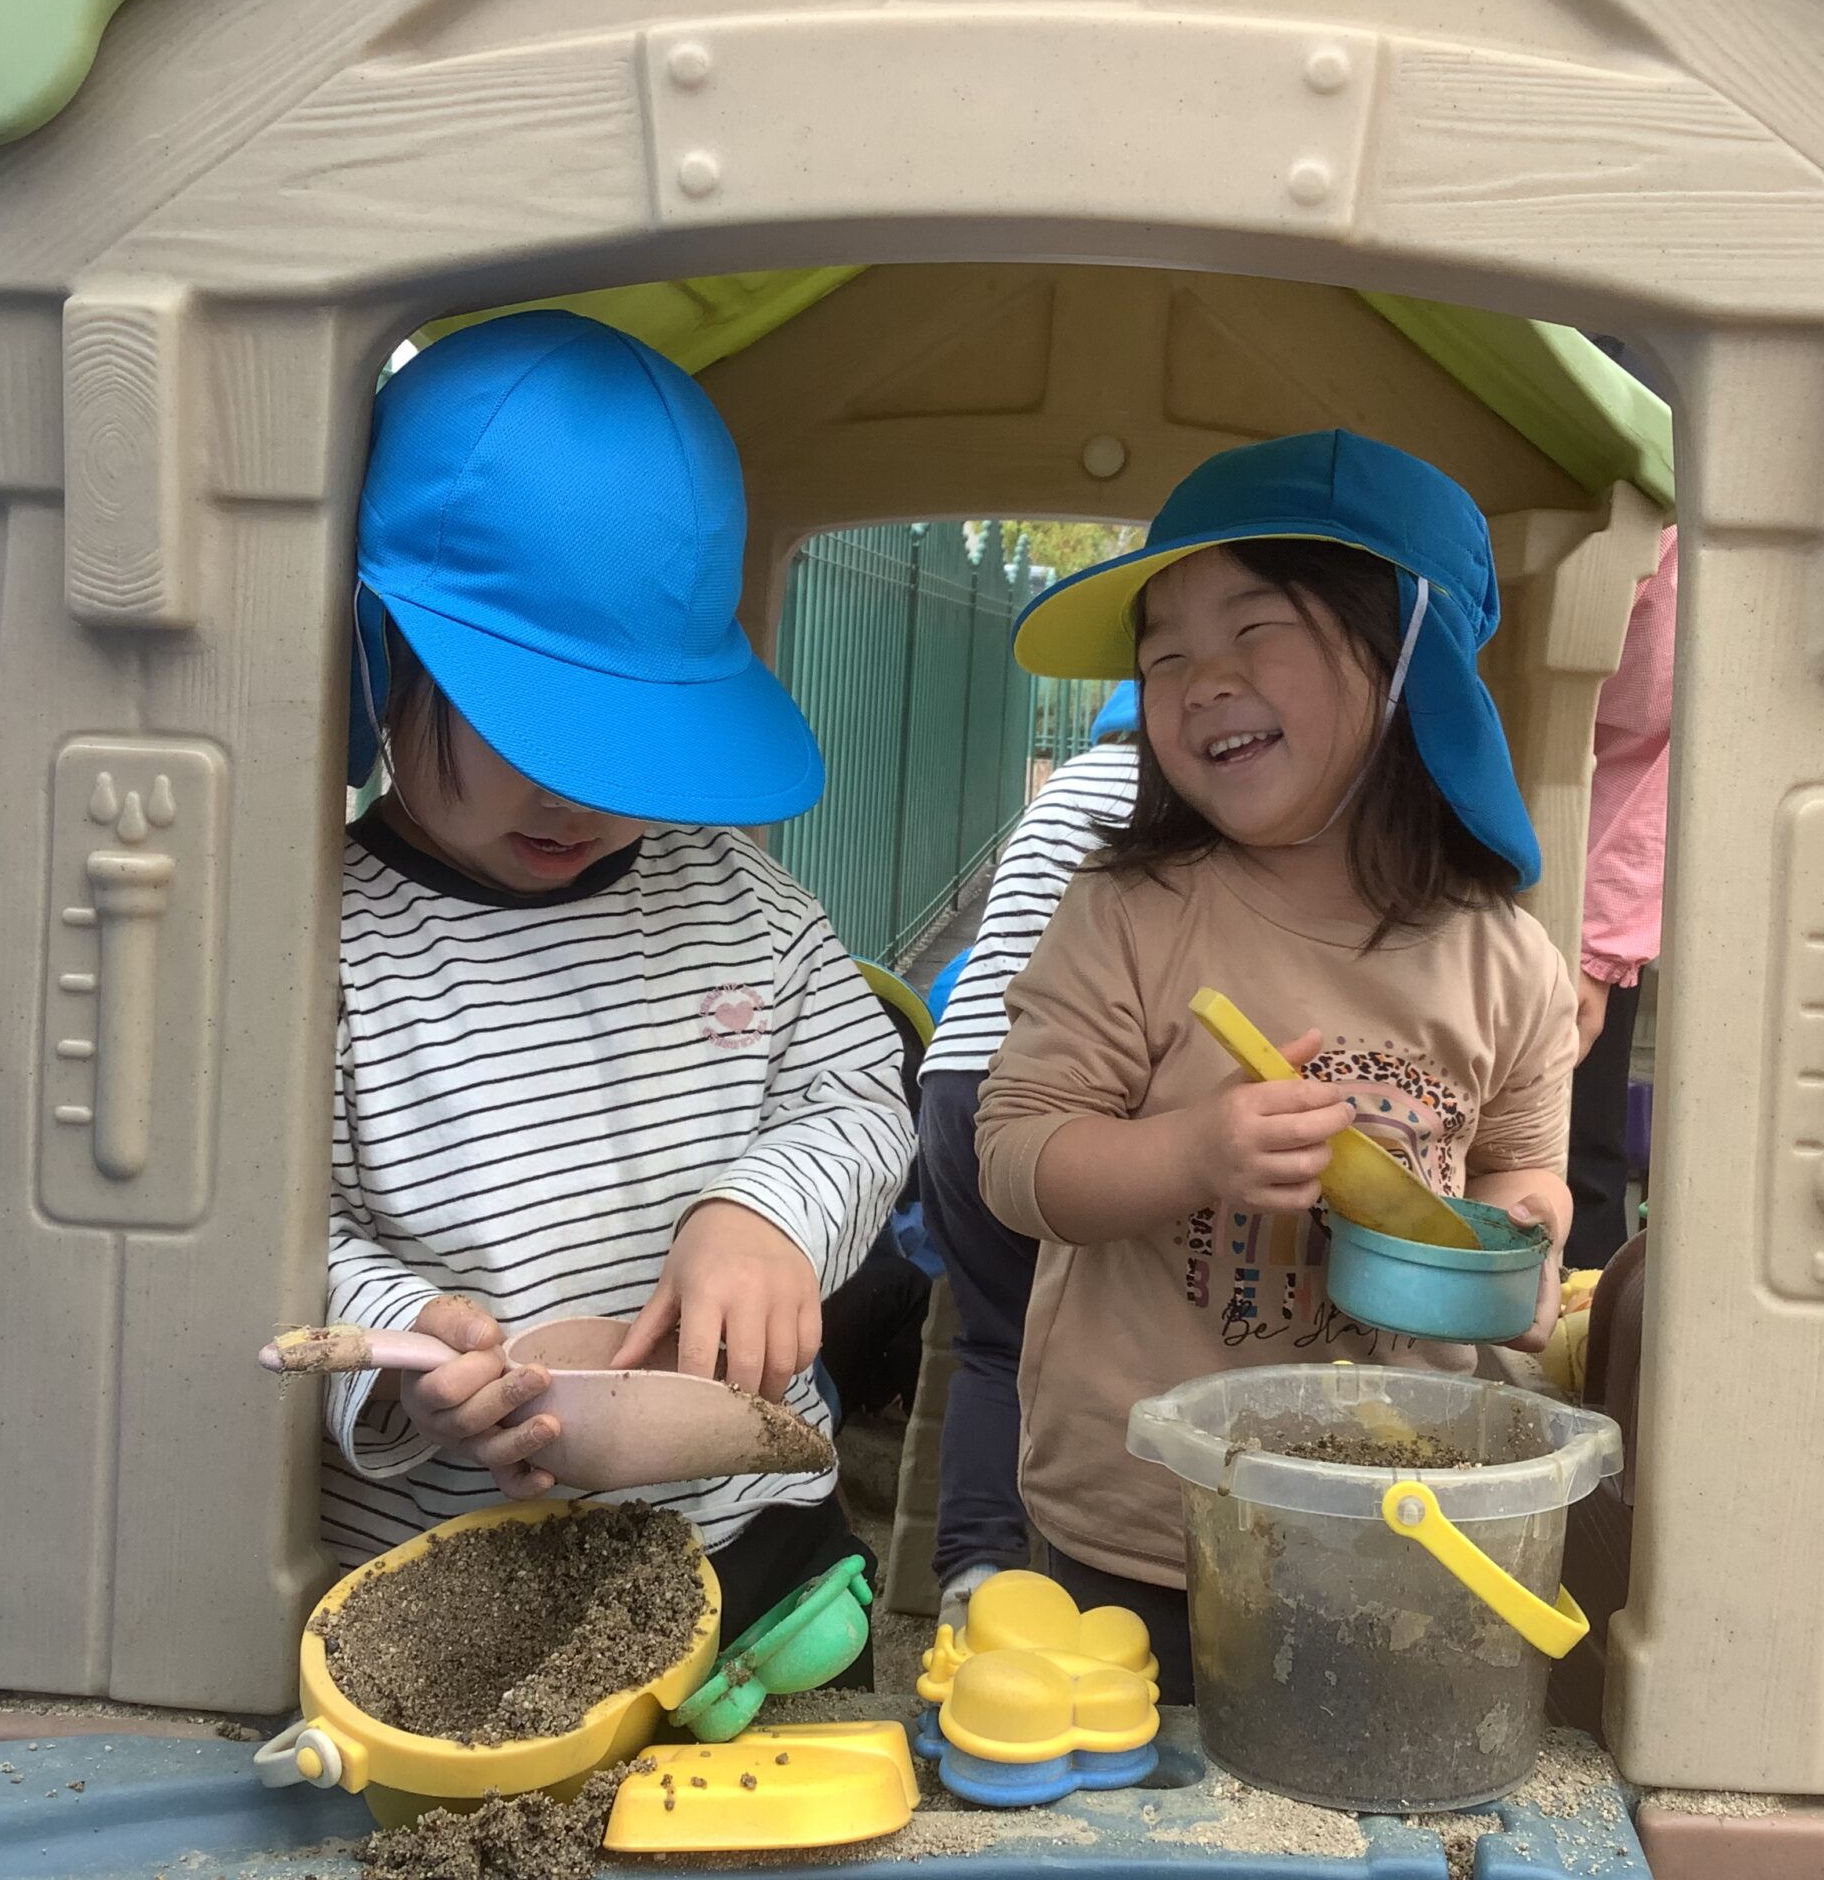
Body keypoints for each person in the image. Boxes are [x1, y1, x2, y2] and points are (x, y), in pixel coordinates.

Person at [319, 312, 914, 1660]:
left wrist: (765, 1215)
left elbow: (857, 1091)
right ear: (380, 647)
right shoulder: (329, 944)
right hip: (462, 1586)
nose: (580, 795)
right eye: (529, 727)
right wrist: (409, 1346)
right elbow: (273, 1230)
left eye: (632, 740)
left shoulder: (736, 894)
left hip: (760, 1536)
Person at [979, 431, 1575, 1696]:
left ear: (1406, 654)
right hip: (1147, 1522)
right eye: (1163, 657)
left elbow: (1522, 1169)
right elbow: (1018, 1159)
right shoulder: (1132, 914)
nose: (1200, 682)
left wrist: (1525, 1244)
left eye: (1254, 629)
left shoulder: (1511, 962)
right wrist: (1194, 1151)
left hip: (1396, 1511)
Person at [915, 682, 1142, 1632]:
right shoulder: (1160, 798)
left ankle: (974, 1575)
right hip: (1039, 1092)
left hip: (951, 1076)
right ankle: (1086, 1585)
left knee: (994, 1343)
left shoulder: (1070, 786)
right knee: (1092, 1340)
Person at [1566, 527, 1675, 1270]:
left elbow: (1650, 747)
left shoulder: (1664, 540)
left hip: (1576, 902)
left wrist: (1597, 952)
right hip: (1414, 873)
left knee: (1575, 1165)